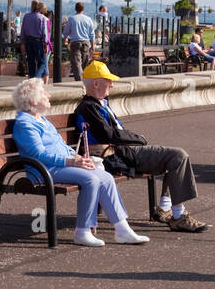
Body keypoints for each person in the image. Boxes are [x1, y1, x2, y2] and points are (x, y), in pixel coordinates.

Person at [11, 78, 149, 246]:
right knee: (91, 179)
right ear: (32, 100)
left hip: (58, 166)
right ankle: (82, 231)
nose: (48, 95)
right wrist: (71, 162)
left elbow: (60, 145)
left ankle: (122, 229)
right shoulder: (25, 123)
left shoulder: (41, 120)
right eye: (43, 92)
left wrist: (79, 158)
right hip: (43, 171)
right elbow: (38, 154)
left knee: (105, 177)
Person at [75, 61, 210, 232]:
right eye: (108, 80)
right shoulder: (88, 107)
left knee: (174, 158)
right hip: (117, 156)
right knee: (177, 156)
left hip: (122, 152)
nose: (112, 84)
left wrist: (134, 138)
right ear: (95, 83)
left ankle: (167, 208)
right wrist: (138, 138)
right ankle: (178, 216)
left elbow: (113, 133)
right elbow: (109, 135)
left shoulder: (98, 104)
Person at [62, 1, 97, 82]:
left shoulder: (71, 19)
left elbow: (65, 32)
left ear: (75, 9)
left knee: (76, 63)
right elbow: (92, 33)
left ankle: (80, 81)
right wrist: (93, 44)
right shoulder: (88, 19)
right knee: (84, 62)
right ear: (83, 9)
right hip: (86, 42)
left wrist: (66, 38)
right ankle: (83, 79)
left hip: (75, 42)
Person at [21, 0, 49, 80]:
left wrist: (23, 43)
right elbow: (44, 32)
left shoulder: (26, 16)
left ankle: (31, 80)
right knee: (42, 63)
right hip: (38, 42)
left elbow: (23, 30)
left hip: (28, 41)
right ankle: (36, 79)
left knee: (31, 63)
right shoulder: (42, 18)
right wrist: (46, 44)